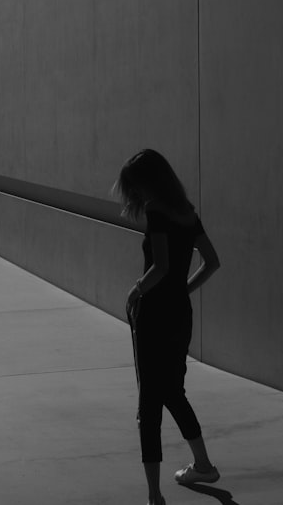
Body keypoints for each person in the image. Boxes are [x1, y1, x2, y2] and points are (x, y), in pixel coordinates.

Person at [113, 149, 222, 505]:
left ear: (149, 182)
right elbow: (212, 261)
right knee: (174, 391)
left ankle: (155, 496)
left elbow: (159, 266)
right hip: (179, 314)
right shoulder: (188, 213)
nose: (136, 195)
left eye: (136, 187)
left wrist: (136, 289)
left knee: (149, 405)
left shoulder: (157, 211)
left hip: (155, 315)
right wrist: (182, 290)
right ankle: (203, 464)